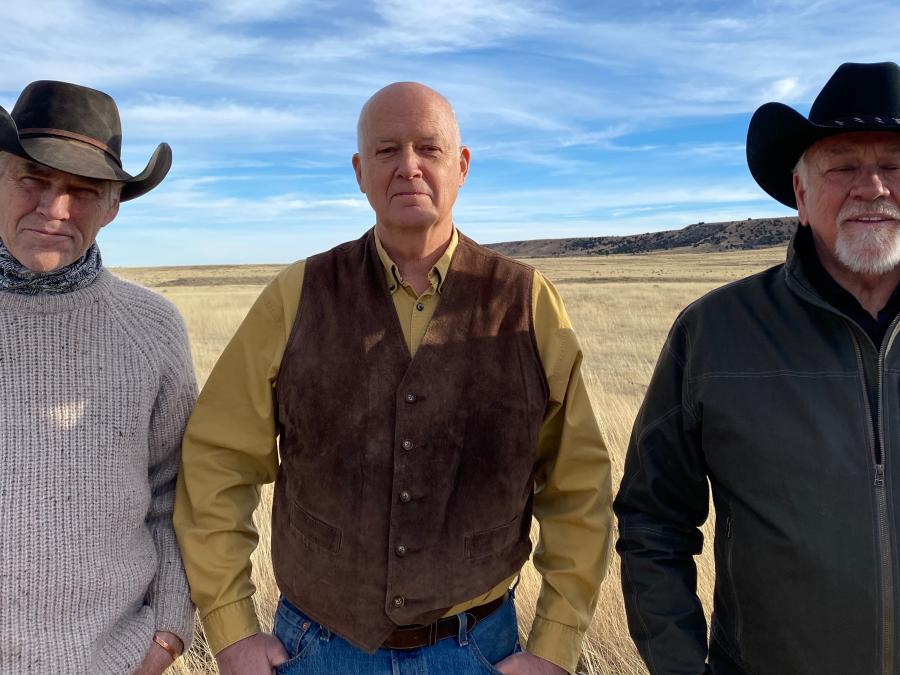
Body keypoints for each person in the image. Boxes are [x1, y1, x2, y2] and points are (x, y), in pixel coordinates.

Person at [174, 81, 612, 675]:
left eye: (428, 149)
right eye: (386, 150)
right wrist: (230, 629)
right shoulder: (296, 295)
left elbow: (577, 485)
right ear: (359, 171)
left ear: (461, 166)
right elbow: (217, 460)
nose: (408, 166)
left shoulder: (528, 301)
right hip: (314, 650)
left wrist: (555, 646)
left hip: (481, 650)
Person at [614, 61, 900, 674]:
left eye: (895, 166)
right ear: (800, 194)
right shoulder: (714, 334)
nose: (872, 187)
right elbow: (652, 524)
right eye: (844, 165)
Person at [0, 80, 195, 673]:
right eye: (33, 179)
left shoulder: (153, 328)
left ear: (113, 206)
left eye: (83, 191)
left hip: (114, 661)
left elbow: (177, 492)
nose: (55, 209)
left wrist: (166, 637)